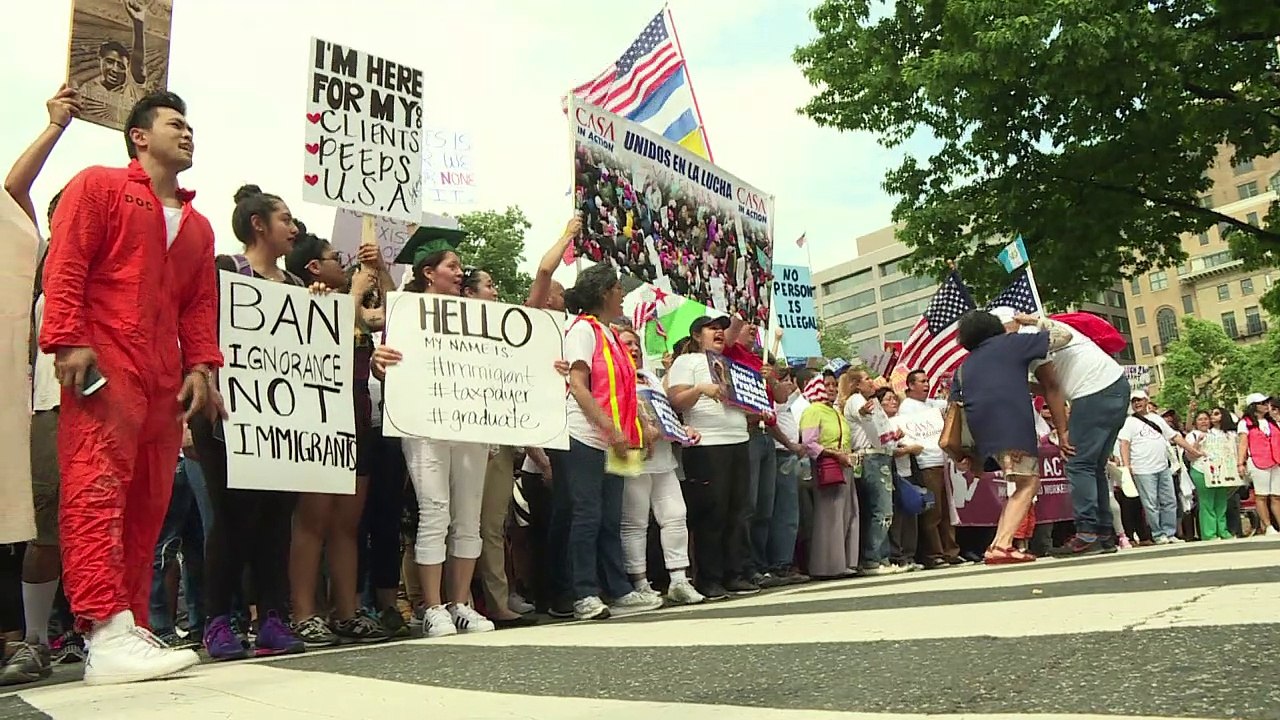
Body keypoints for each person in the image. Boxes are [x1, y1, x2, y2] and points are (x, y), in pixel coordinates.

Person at [40, 91, 220, 684]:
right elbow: (65, 261)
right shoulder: (98, 186)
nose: (188, 133)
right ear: (139, 136)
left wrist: (201, 367)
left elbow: (198, 306)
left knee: (148, 502)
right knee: (97, 486)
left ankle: (131, 627)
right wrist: (67, 335)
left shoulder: (198, 226)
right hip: (106, 357)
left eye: (191, 125)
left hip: (163, 376)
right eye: (176, 124)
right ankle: (101, 625)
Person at [192, 186, 310, 661]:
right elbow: (197, 326)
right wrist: (202, 377)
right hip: (225, 416)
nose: (294, 227)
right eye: (285, 218)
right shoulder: (224, 272)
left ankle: (273, 619)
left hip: (283, 424)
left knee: (277, 521)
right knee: (232, 519)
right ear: (258, 225)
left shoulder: (300, 289)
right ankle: (217, 621)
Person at [371, 227, 499, 636]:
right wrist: (379, 360)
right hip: (425, 424)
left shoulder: (478, 318)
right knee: (434, 512)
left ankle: (461, 602)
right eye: (453, 266)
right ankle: (433, 606)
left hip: (470, 422)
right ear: (429, 273)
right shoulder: (405, 314)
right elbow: (386, 361)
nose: (460, 273)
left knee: (468, 516)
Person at [1, 85, 80, 686]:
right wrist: (55, 127)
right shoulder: (36, 262)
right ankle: (33, 639)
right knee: (48, 528)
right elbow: (11, 194)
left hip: (109, 411)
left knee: (102, 526)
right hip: (51, 409)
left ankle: (94, 627)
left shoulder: (111, 269)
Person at [283, 233, 391, 645]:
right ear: (313, 267)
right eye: (333, 258)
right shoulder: (312, 301)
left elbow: (398, 316)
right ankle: (304, 612)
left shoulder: (360, 310)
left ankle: (347, 611)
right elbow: (314, 346)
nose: (344, 265)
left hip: (358, 419)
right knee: (313, 521)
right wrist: (353, 296)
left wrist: (377, 272)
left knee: (348, 523)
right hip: (320, 422)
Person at [953, 310, 1070, 563]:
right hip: (1012, 426)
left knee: (1017, 485)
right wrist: (1032, 321)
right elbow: (1064, 335)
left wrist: (965, 452)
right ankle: (1004, 544)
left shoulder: (964, 366)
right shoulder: (1011, 343)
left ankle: (996, 543)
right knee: (1029, 483)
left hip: (982, 434)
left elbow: (954, 407)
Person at [1021, 312, 1130, 555]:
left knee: (1078, 462)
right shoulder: (1035, 332)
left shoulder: (1028, 338)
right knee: (1094, 466)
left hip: (1093, 392)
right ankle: (1103, 534)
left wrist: (1062, 432)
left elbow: (1053, 388)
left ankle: (1087, 533)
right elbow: (1051, 383)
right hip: (1115, 386)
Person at [668, 316, 758, 599]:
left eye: (721, 327)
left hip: (739, 440)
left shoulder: (733, 366)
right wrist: (699, 390)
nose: (719, 331)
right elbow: (674, 401)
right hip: (707, 444)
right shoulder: (688, 362)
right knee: (711, 513)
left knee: (738, 511)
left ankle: (735, 573)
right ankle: (708, 578)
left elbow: (750, 409)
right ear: (696, 335)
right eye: (711, 328)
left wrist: (757, 405)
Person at [616, 327, 704, 606]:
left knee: (676, 515)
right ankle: (640, 582)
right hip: (629, 454)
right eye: (627, 344)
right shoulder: (611, 376)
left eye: (637, 345)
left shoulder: (651, 377)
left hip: (663, 456)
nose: (634, 349)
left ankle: (679, 579)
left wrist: (682, 428)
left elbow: (665, 413)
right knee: (635, 521)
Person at [1118, 391, 1203, 544]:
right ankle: (1158, 534)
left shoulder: (1157, 419)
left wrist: (1192, 450)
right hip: (1142, 468)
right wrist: (1126, 465)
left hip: (1163, 466)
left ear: (1146, 401)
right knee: (1151, 503)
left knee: (1169, 500)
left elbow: (1174, 436)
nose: (1137, 403)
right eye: (1134, 401)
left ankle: (1170, 533)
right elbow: (1124, 443)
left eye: (1140, 400)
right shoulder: (1129, 422)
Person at [798, 374, 859, 578]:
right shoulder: (813, 411)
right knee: (829, 515)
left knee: (847, 513)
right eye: (827, 385)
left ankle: (845, 561)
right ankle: (827, 565)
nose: (831, 389)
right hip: (827, 465)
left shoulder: (836, 412)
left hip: (845, 464)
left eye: (834, 385)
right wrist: (833, 453)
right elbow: (809, 442)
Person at [839, 368, 899, 574]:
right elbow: (860, 411)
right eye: (866, 379)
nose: (871, 381)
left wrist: (892, 436)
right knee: (881, 509)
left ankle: (882, 557)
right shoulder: (856, 399)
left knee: (880, 509)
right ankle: (873, 558)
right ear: (856, 384)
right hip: (871, 458)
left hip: (879, 455)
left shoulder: (869, 401)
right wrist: (864, 411)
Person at [898, 370, 958, 567]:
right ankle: (934, 553)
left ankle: (951, 551)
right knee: (933, 512)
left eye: (927, 381)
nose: (927, 384)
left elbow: (949, 402)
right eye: (922, 381)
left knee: (948, 511)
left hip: (943, 461)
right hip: (926, 463)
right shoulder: (907, 407)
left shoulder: (932, 404)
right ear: (911, 385)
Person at [75, 0, 151, 127]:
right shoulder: (87, 88)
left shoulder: (132, 87)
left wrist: (138, 24)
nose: (115, 69)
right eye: (110, 62)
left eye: (121, 66)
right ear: (100, 60)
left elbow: (138, 62)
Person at [1185, 409, 1239, 541]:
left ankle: (1223, 530)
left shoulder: (1216, 434)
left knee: (1221, 502)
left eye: (1205, 419)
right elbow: (1190, 456)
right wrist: (1197, 442)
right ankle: (1209, 533)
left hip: (1219, 471)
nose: (1203, 422)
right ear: (1195, 422)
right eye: (1200, 419)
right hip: (1200, 470)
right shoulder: (1192, 435)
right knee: (1207, 503)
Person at [1237, 393, 1280, 533]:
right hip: (1257, 461)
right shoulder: (1245, 423)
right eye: (1262, 403)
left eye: (1266, 402)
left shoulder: (1272, 422)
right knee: (1261, 495)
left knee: (1276, 495)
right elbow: (1243, 444)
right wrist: (1240, 463)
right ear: (1254, 406)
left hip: (1275, 461)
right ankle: (1268, 526)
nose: (1265, 405)